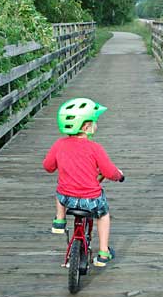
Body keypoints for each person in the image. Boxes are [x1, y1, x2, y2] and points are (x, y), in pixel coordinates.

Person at [43, 97, 124, 267]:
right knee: (103, 215)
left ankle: (60, 220)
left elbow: (48, 167)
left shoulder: (59, 144)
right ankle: (103, 252)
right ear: (86, 127)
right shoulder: (95, 148)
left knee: (60, 190)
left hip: (67, 199)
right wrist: (119, 176)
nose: (96, 124)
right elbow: (109, 172)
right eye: (95, 121)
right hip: (91, 200)